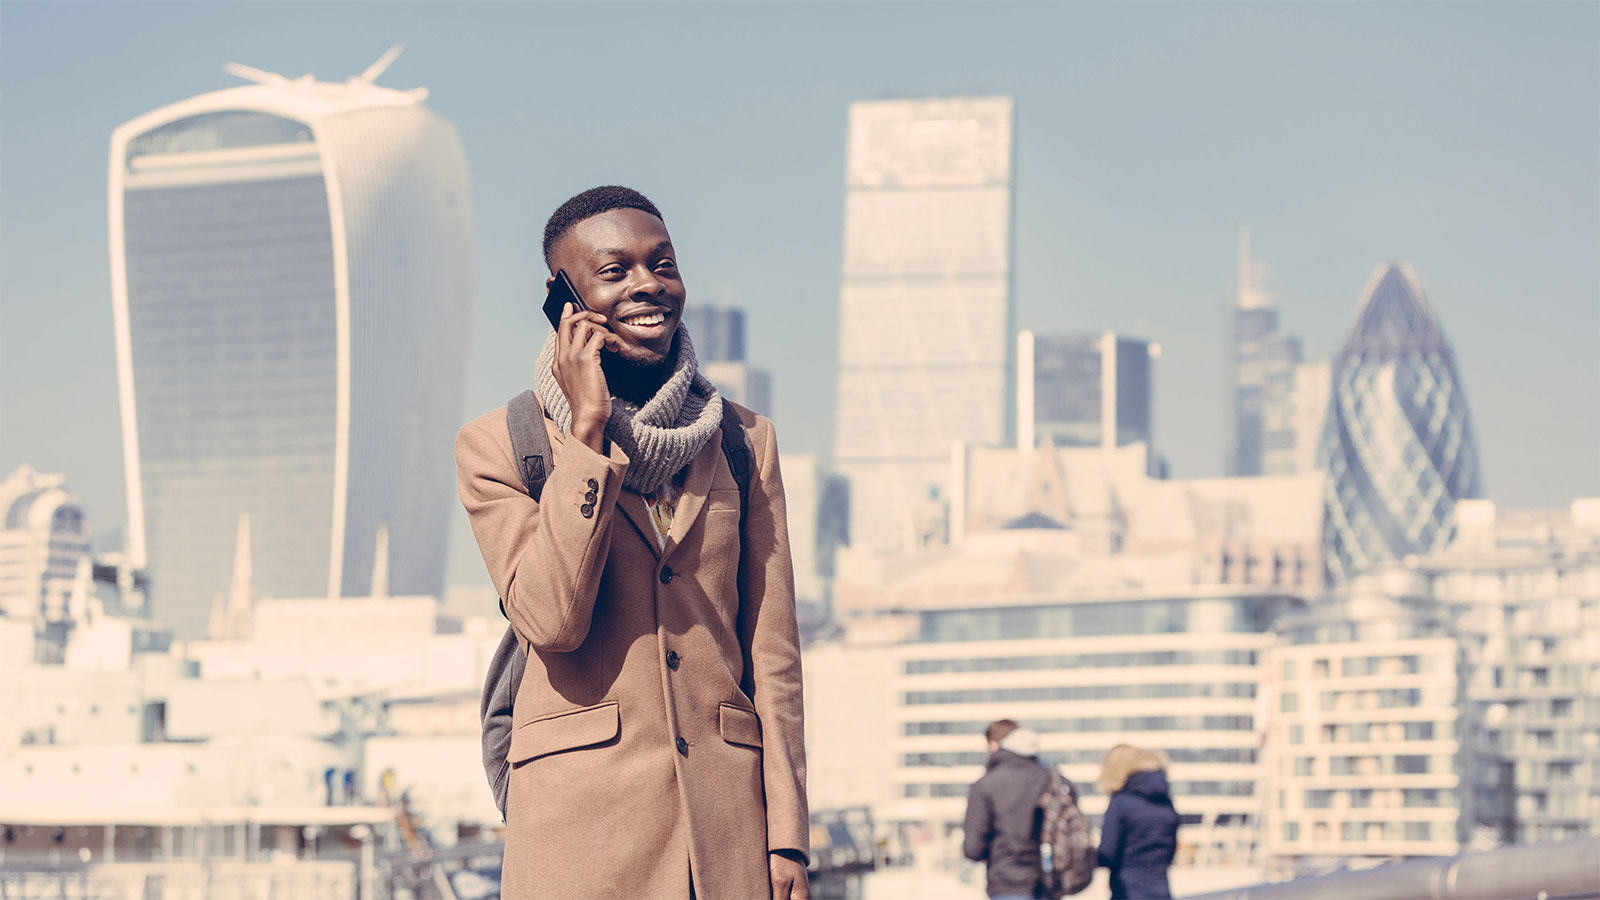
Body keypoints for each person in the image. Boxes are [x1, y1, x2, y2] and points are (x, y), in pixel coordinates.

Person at [456, 186, 809, 899]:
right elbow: (552, 621)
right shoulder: (501, 447)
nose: (650, 284)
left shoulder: (745, 441)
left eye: (664, 264)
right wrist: (586, 437)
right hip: (580, 836)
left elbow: (773, 655)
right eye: (615, 271)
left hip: (726, 836)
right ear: (563, 298)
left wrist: (788, 839)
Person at [962, 720, 1052, 900]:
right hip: (1048, 882)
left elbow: (973, 849)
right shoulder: (1051, 777)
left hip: (1006, 883)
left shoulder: (986, 784)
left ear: (994, 744)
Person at [1095, 744, 1180, 900]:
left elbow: (1107, 853)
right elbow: (1170, 851)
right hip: (1162, 892)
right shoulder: (1166, 803)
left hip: (1127, 891)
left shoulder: (1121, 803)